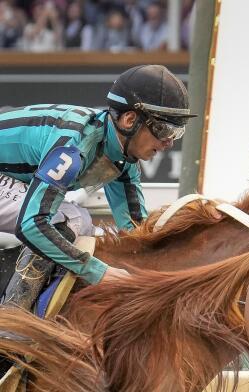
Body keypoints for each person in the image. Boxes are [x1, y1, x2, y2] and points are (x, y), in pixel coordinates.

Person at [0, 64, 192, 315]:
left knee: (86, 229)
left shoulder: (124, 159)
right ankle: (13, 321)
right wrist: (99, 272)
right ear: (130, 120)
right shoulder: (75, 145)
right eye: (164, 129)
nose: (168, 143)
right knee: (71, 219)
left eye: (177, 132)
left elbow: (136, 234)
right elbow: (32, 224)